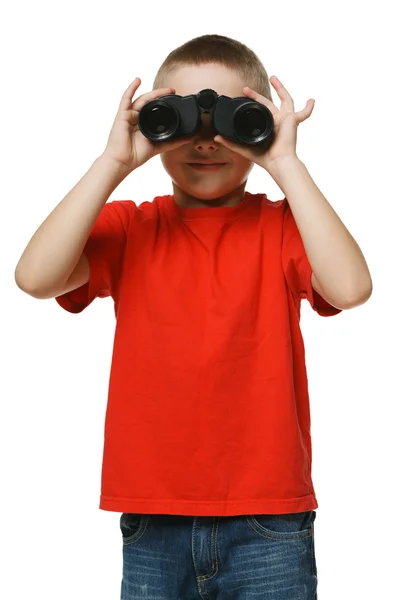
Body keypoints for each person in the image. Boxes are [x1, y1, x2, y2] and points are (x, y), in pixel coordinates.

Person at [15, 34, 372, 600]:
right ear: (155, 122)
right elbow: (35, 277)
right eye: (182, 117)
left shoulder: (282, 229)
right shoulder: (132, 228)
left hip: (268, 518)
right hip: (154, 516)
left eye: (233, 120)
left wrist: (284, 162)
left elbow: (351, 288)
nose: (206, 140)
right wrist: (113, 162)